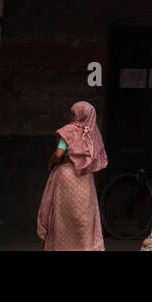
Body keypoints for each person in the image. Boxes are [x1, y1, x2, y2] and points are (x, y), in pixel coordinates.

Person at [36, 101, 108, 251]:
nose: (71, 116)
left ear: (78, 114)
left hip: (67, 175)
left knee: (62, 216)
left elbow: (59, 154)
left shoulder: (69, 131)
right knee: (83, 217)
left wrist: (51, 162)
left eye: (73, 113)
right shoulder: (93, 134)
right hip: (84, 179)